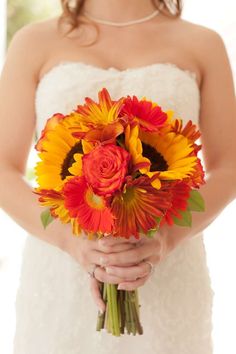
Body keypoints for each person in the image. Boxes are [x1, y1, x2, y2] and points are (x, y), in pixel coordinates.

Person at [0, 0, 235, 353]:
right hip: (61, 274)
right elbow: (3, 167)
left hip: (171, 272)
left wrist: (166, 240)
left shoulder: (204, 44)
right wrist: (73, 243)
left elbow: (229, 166)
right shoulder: (33, 42)